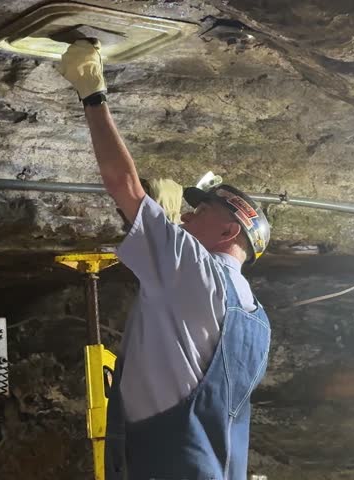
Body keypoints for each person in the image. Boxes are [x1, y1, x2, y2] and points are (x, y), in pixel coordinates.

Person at [58, 39, 272, 480]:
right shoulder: (256, 321)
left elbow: (123, 184)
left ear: (229, 231)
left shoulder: (195, 269)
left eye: (201, 210)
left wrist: (91, 91)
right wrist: (167, 226)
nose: (188, 215)